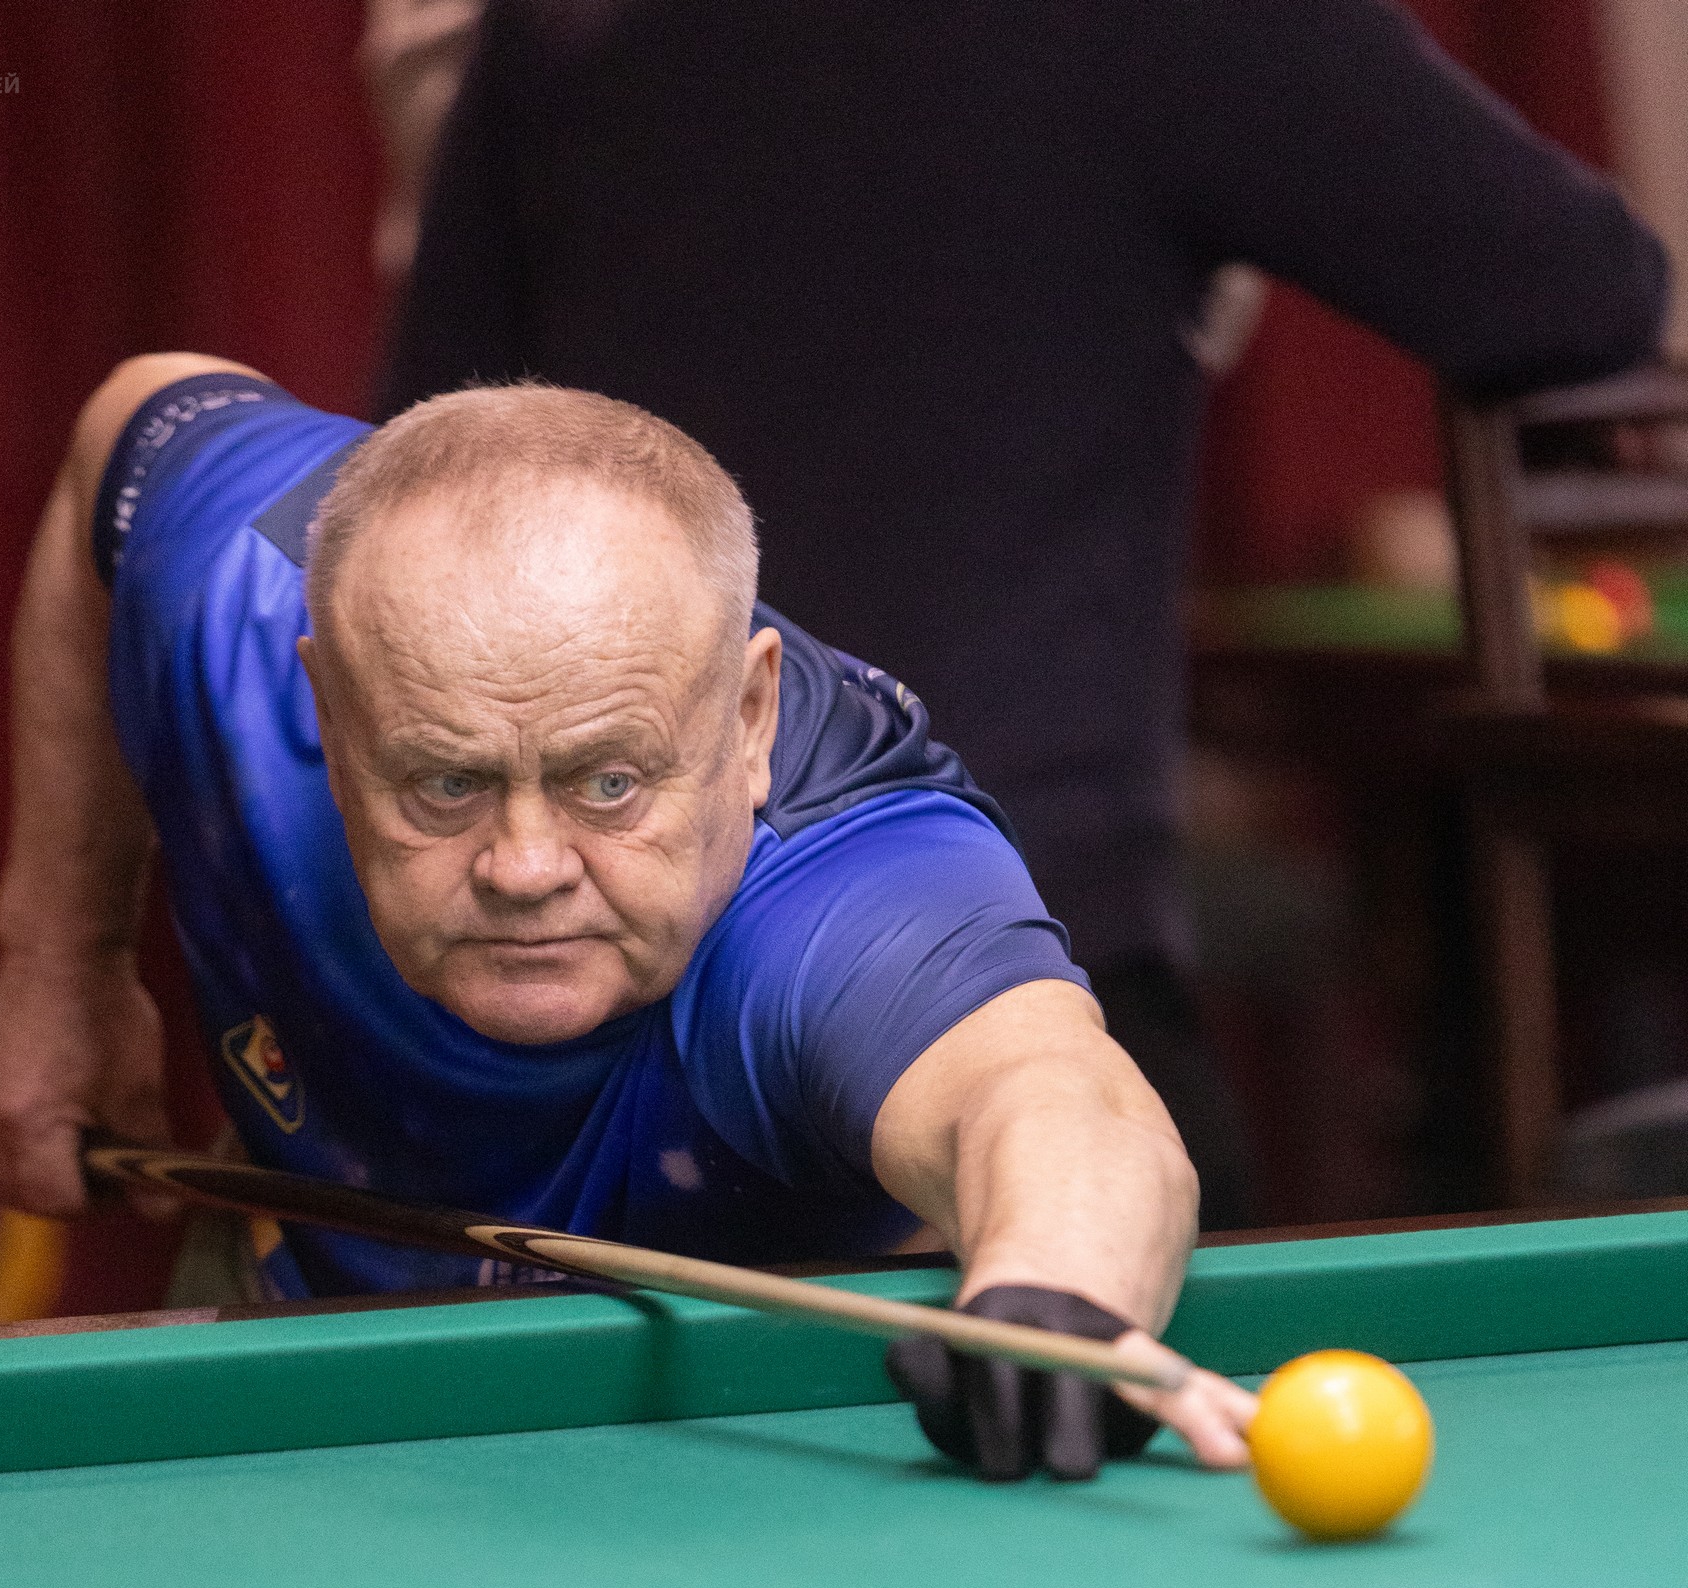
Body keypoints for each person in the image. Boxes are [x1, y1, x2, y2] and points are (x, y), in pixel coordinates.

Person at [377, 0, 1673, 1225]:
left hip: (569, 1018)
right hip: (1016, 974)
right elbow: (1580, 290)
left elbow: (430, 456)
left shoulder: (561, 23)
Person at [0, 353, 1257, 1481]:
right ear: (330, 702)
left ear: (749, 719)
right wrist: (59, 959)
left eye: (609, 783)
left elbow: (1051, 1096)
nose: (526, 868)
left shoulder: (840, 884)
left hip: (757, 1448)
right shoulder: (237, 602)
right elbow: (130, 419)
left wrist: (1058, 1295)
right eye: (447, 783)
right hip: (310, 1338)